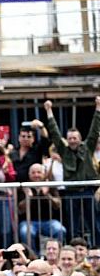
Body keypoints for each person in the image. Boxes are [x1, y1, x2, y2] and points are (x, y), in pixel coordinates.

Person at [43, 97, 100, 238]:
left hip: (87, 191)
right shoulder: (64, 149)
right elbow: (54, 132)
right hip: (71, 193)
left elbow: (94, 130)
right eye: (70, 138)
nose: (72, 140)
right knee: (72, 226)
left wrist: (98, 107)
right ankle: (74, 248)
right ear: (67, 140)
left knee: (94, 224)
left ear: (80, 138)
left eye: (75, 138)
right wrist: (49, 111)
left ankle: (97, 248)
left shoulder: (87, 148)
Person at [18, 164, 66, 249]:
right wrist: (29, 198)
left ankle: (57, 254)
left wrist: (46, 195)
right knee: (25, 232)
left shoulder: (50, 185)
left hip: (49, 221)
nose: (36, 175)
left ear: (44, 174)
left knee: (60, 230)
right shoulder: (25, 186)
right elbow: (20, 209)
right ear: (29, 175)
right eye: (33, 173)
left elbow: (58, 204)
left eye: (39, 172)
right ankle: (33, 257)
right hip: (29, 221)